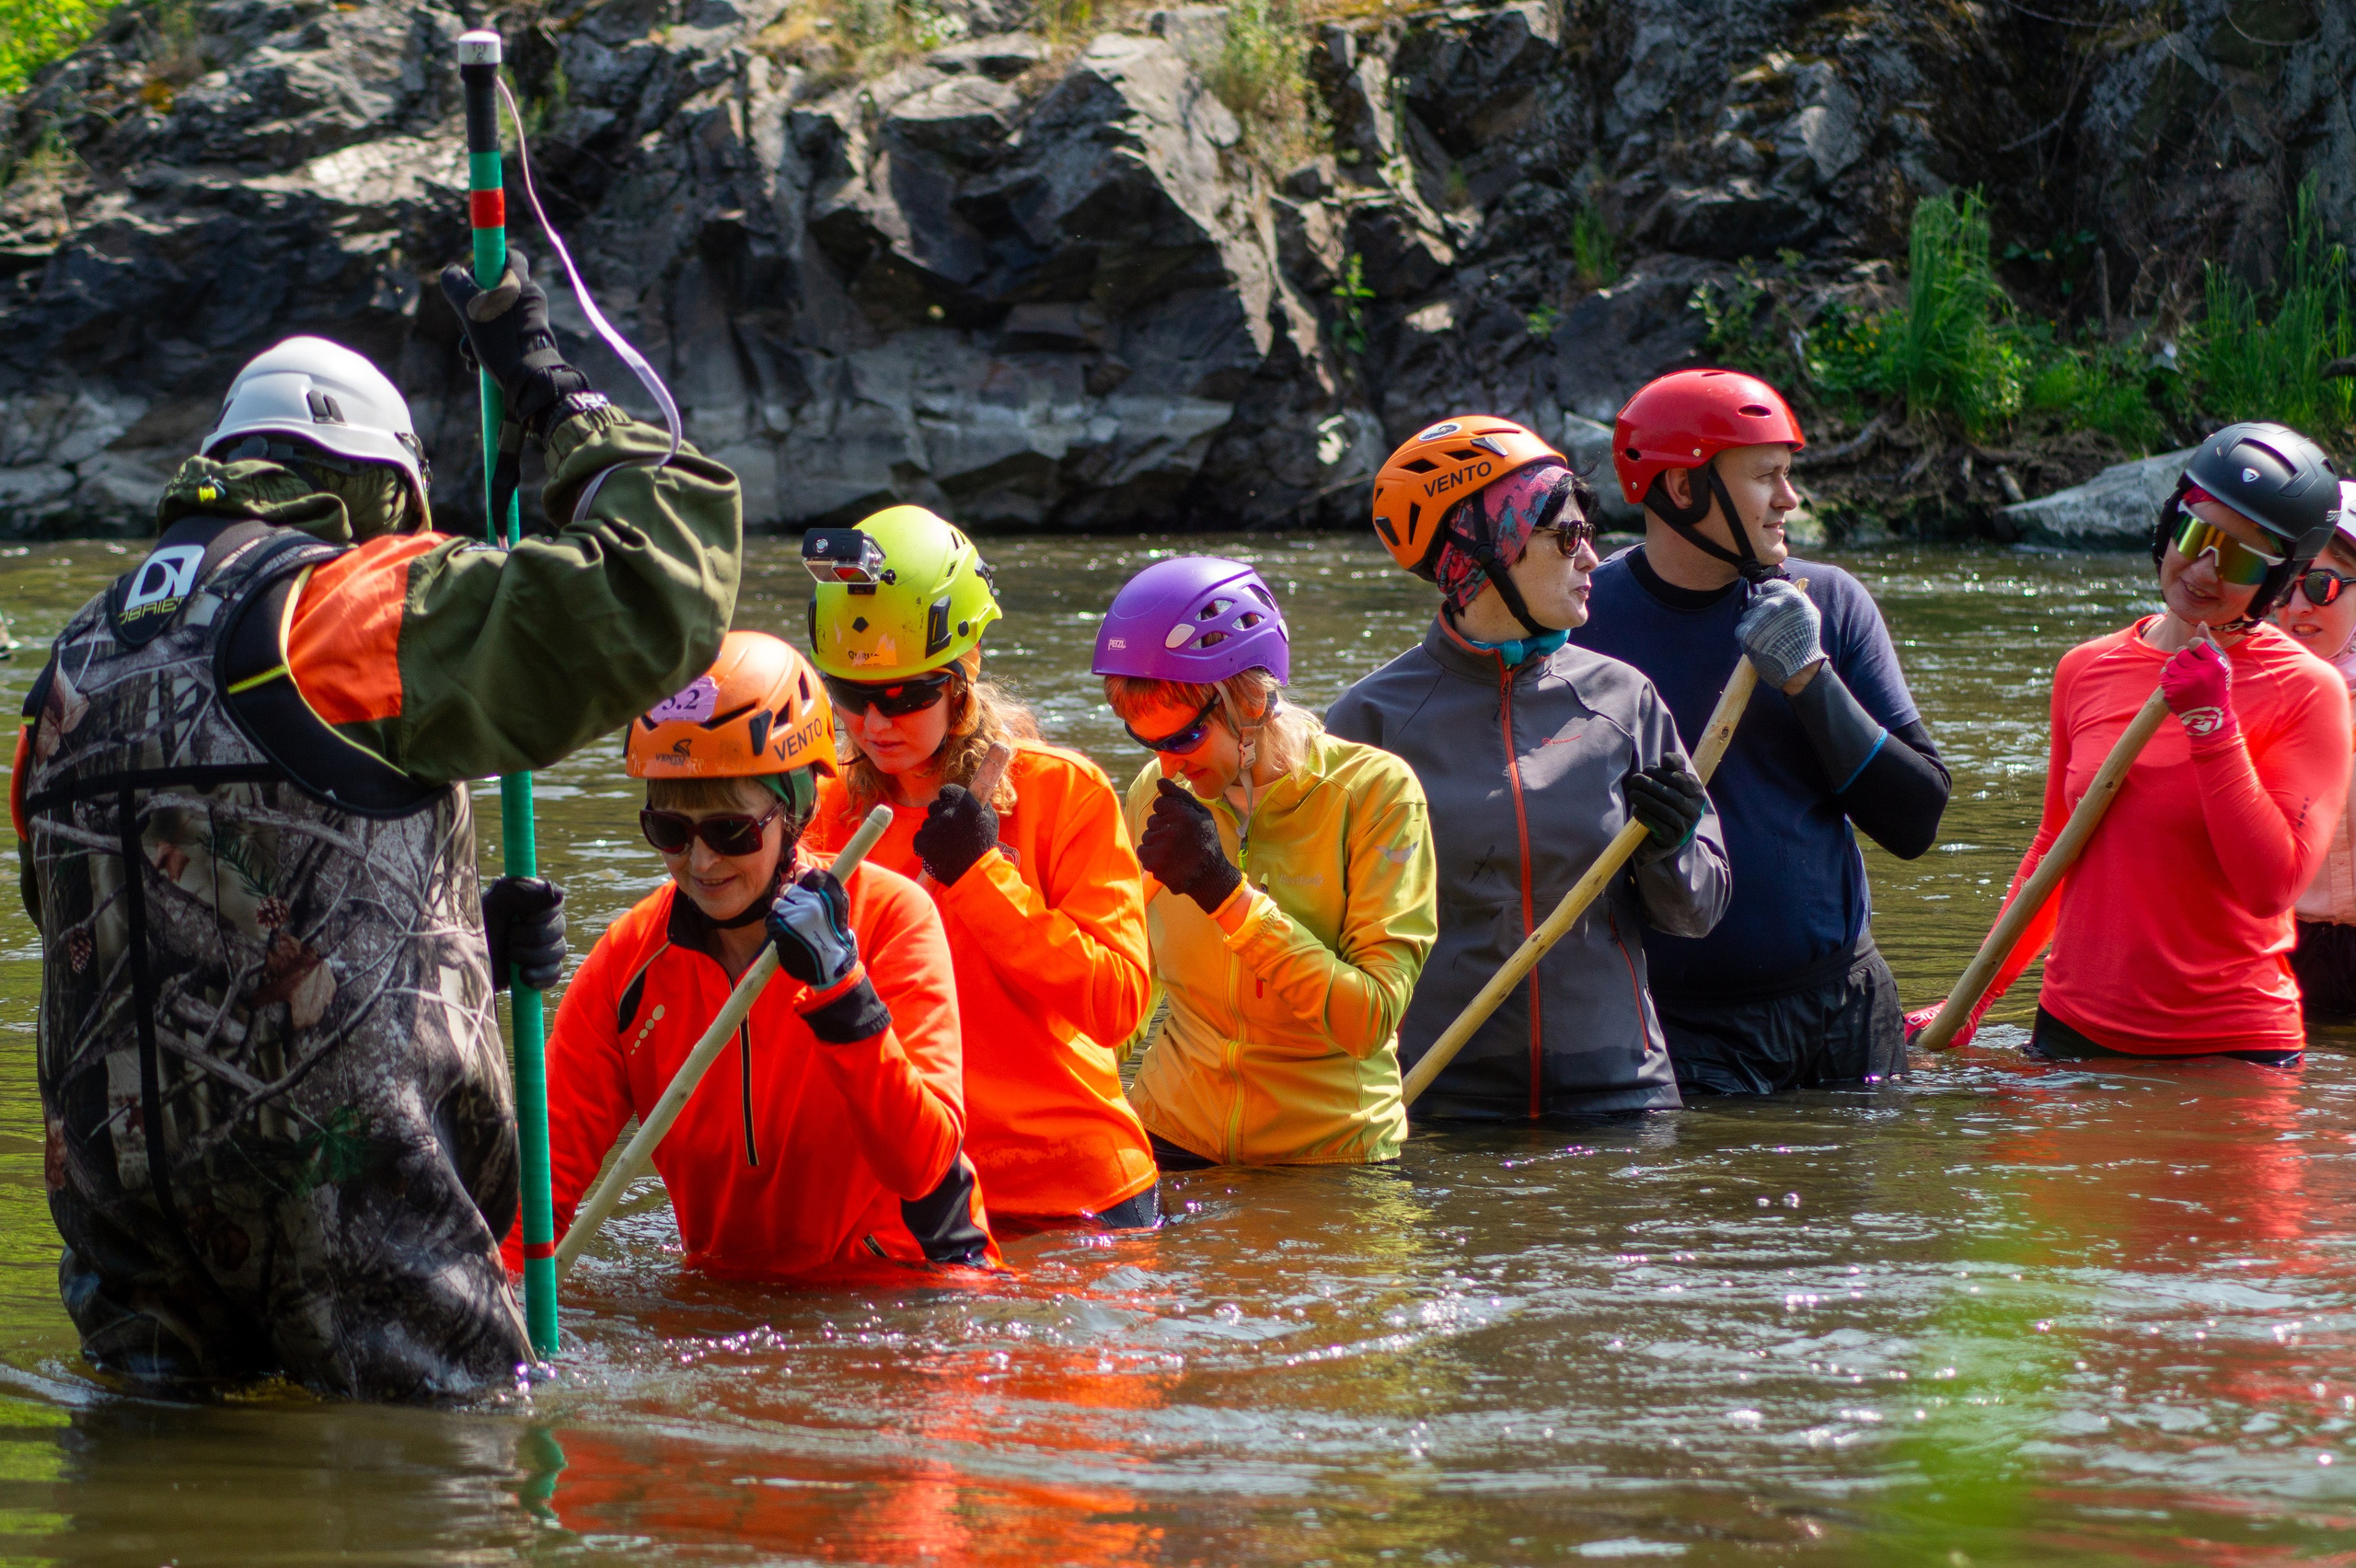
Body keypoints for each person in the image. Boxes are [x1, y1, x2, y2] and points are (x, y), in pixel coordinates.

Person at [9, 249, 742, 1399]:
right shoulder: (343, 604)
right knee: (440, 1488)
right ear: (378, 489)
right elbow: (661, 591)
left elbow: (117, 926)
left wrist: (452, 953)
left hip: (123, 1228)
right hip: (344, 1209)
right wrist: (561, 399)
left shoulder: (70, 671)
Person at [519, 632, 997, 1278]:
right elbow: (541, 1189)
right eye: (670, 831)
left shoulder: (892, 917)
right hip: (736, 1293)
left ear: (793, 812)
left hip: (911, 1290)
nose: (702, 862)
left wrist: (844, 994)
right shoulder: (628, 959)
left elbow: (924, 1164)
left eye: (731, 831)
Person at [1325, 417, 1729, 1119]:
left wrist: (1672, 848)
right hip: (1438, 1103)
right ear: (1486, 550)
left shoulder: (1624, 699)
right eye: (1567, 537)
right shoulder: (1371, 722)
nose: (1592, 560)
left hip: (1622, 1098)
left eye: (1590, 535)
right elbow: (1323, 941)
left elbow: (1698, 912)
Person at [1567, 372, 1950, 1094]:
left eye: (1789, 475)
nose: (1790, 500)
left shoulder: (1828, 601)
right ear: (1684, 490)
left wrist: (1811, 678)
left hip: (1846, 1010)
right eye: (1767, 476)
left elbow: (1916, 820)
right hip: (1681, 1029)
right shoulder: (1588, 626)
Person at [1931, 422, 2349, 1064]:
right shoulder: (2084, 668)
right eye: (2196, 535)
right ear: (2168, 526)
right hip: (2072, 1033)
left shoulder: (2308, 691)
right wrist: (1972, 1001)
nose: (2205, 569)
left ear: (2277, 579)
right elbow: (2053, 850)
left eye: (2239, 558)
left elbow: (2274, 886)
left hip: (2231, 1051)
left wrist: (2213, 726)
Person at [799, 508, 1160, 1229]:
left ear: (963, 677)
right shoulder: (826, 811)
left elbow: (1119, 1004)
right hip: (916, 1193)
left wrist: (982, 878)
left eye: (906, 696)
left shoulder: (1062, 791)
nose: (875, 725)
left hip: (1073, 1195)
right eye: (851, 696)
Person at [1093, 557, 1438, 1166]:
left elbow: (1371, 1019)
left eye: (1184, 740)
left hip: (1329, 1157)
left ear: (1249, 701)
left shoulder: (1376, 794)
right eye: (1147, 742)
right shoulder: (1156, 789)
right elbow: (1130, 983)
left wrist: (1229, 897)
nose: (1167, 766)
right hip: (1172, 1135)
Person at [2276, 481, 2356, 1016]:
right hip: (2281, 950)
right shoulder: (2237, 688)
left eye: (2323, 585)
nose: (2298, 606)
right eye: (2283, 586)